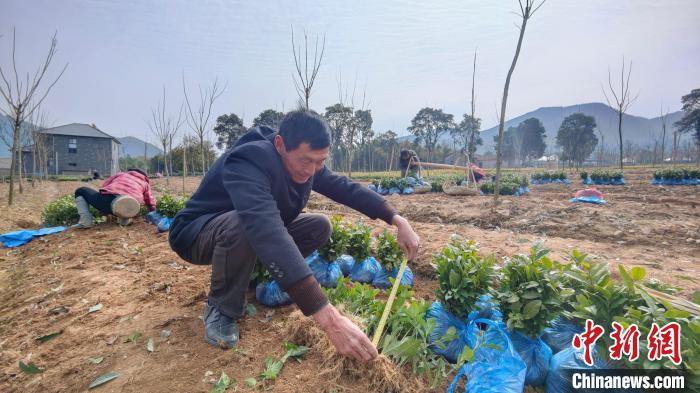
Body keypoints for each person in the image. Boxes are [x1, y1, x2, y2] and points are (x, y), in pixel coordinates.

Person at [168, 110, 420, 362]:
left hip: (244, 230)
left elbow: (343, 187)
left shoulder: (305, 160)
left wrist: (396, 219)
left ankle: (253, 279)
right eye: (306, 161)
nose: (312, 171)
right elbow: (265, 230)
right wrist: (330, 320)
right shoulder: (248, 160)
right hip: (197, 233)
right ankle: (221, 308)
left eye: (319, 162)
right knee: (244, 224)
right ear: (280, 145)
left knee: (319, 225)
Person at [74, 168, 156, 228]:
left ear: (131, 171)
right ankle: (124, 220)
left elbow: (105, 186)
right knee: (127, 201)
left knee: (80, 190)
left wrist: (102, 208)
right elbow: (150, 202)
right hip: (132, 208)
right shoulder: (145, 183)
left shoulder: (121, 174)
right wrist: (153, 214)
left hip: (110, 201)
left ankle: (85, 222)